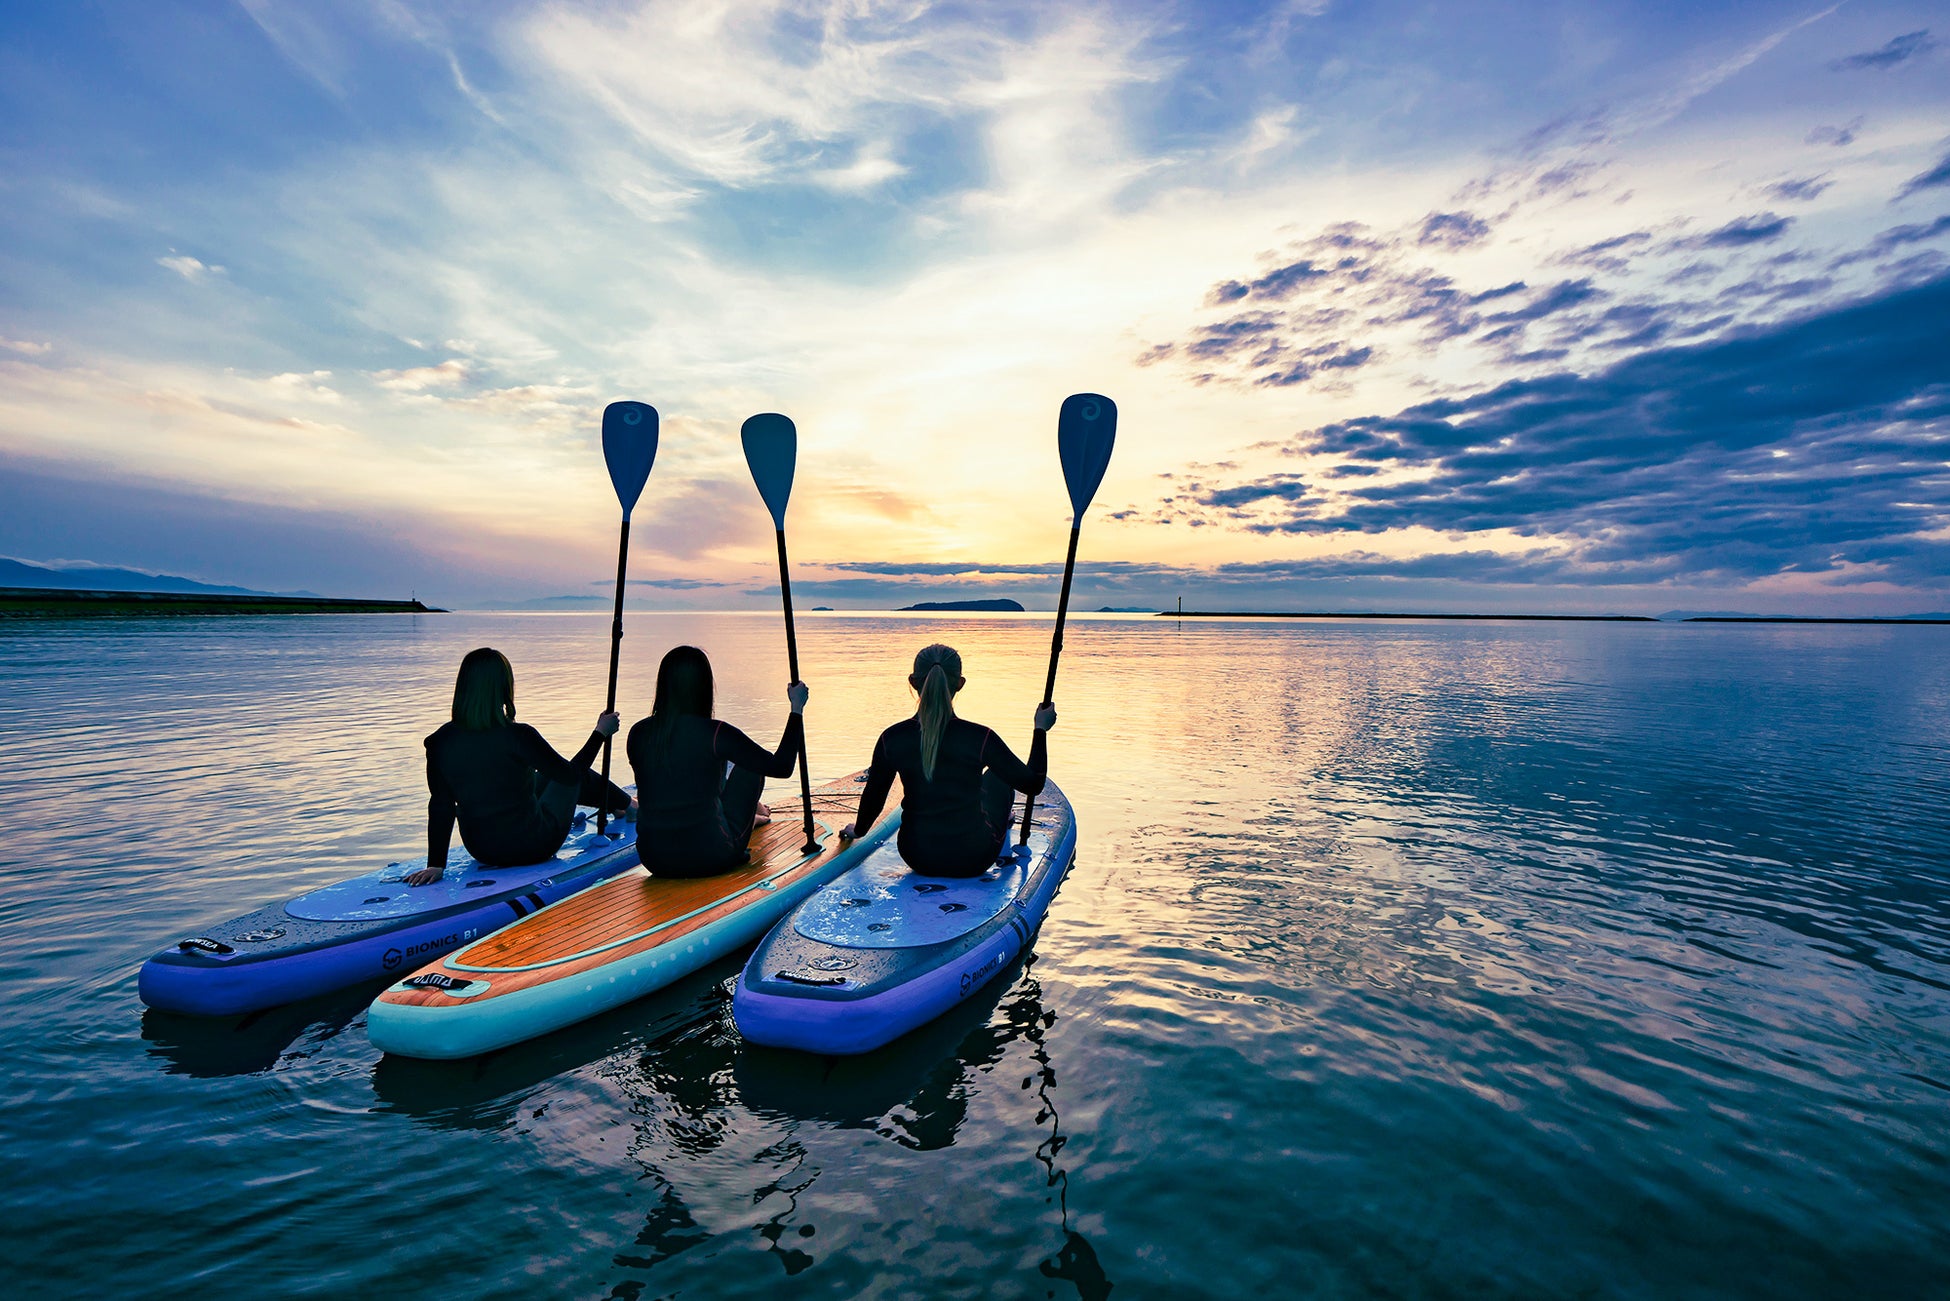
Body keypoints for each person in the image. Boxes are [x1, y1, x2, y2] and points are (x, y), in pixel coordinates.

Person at [409, 647, 634, 885]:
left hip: (482, 848)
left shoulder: (439, 741)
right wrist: (600, 732)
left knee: (547, 776)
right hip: (532, 845)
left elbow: (441, 803)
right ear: (504, 688)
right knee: (570, 774)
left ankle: (620, 805)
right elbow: (570, 776)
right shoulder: (518, 735)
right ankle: (628, 806)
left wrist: (436, 864)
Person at [840, 643, 1056, 877]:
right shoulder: (980, 738)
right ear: (960, 684)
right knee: (998, 777)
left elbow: (874, 796)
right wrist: (1040, 729)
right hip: (973, 857)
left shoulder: (891, 738)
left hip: (917, 855)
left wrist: (858, 831)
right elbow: (1033, 784)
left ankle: (994, 817)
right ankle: (1002, 820)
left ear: (913, 682)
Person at [626, 645, 808, 878]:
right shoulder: (716, 733)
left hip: (654, 858)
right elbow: (782, 767)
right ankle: (750, 818)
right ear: (704, 687)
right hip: (710, 855)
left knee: (700, 770)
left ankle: (752, 816)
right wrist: (796, 710)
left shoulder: (638, 733)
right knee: (749, 767)